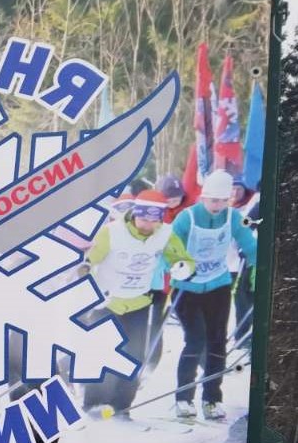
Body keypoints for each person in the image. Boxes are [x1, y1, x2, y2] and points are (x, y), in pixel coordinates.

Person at [82, 190, 193, 415]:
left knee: (134, 355)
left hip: (138, 302)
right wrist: (84, 270)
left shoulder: (165, 234)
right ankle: (93, 403)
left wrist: (183, 267)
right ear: (135, 214)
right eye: (144, 219)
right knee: (103, 352)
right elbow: (90, 259)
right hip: (108, 302)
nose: (148, 225)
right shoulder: (112, 232)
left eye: (154, 220)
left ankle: (122, 405)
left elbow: (182, 259)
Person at [167, 169, 257, 421]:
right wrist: (176, 264)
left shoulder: (234, 217)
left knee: (217, 342)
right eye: (214, 200)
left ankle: (212, 398)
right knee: (195, 340)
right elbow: (170, 247)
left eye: (223, 200)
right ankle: (183, 398)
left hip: (218, 285)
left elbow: (249, 243)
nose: (218, 206)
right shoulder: (186, 218)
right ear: (204, 197)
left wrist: (259, 264)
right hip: (187, 287)